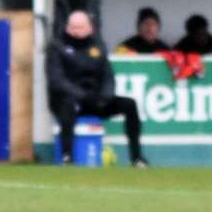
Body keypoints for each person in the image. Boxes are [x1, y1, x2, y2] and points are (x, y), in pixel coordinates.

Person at [46, 10, 148, 167]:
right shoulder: (57, 47)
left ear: (89, 28)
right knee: (68, 105)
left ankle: (137, 158)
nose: (76, 31)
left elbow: (108, 75)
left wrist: (106, 96)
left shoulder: (97, 47)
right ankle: (68, 157)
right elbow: (57, 81)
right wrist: (82, 95)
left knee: (129, 104)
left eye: (80, 27)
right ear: (67, 27)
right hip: (68, 100)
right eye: (73, 27)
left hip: (95, 99)